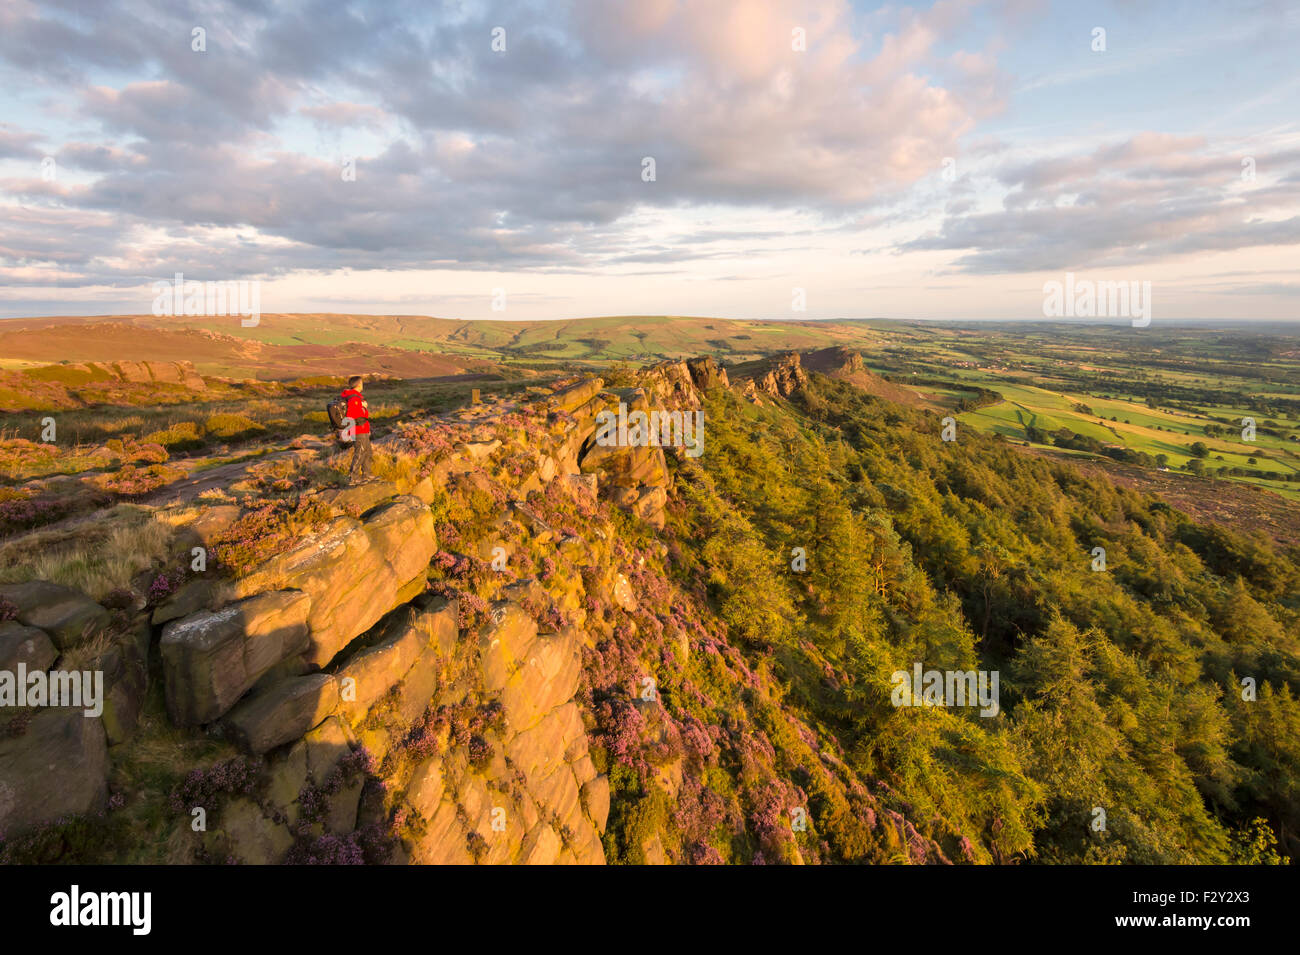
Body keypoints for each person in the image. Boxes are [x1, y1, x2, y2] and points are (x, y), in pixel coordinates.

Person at [340, 375, 373, 484]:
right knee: (360, 452)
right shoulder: (354, 398)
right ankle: (353, 477)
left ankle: (367, 474)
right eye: (362, 383)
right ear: (359, 385)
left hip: (363, 429)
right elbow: (352, 416)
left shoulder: (356, 397)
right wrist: (363, 407)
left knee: (367, 451)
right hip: (358, 430)